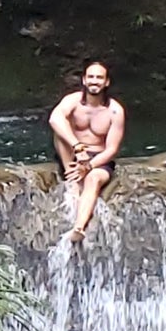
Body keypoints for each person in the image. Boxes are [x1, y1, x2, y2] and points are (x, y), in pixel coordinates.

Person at [49, 61, 125, 242]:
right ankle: (71, 178)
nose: (94, 81)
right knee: (59, 131)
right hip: (72, 154)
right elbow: (54, 119)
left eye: (99, 77)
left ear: (106, 82)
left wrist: (89, 165)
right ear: (84, 80)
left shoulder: (115, 111)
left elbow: (112, 149)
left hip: (98, 160)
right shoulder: (73, 101)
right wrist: (77, 147)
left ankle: (79, 227)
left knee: (93, 179)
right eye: (91, 77)